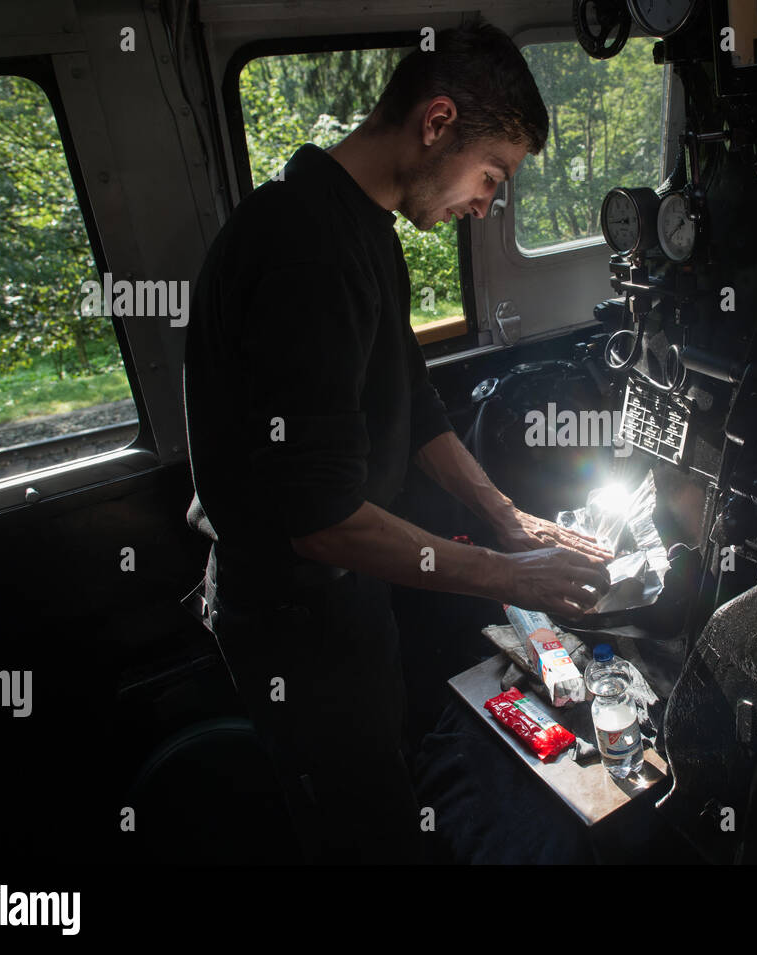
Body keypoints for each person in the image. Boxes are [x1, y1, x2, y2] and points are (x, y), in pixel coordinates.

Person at [181, 17, 612, 864]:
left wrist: (508, 517)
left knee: (387, 782)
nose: (489, 202)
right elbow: (323, 517)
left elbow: (416, 409)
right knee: (360, 830)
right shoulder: (302, 248)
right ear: (438, 121)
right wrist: (510, 574)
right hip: (292, 618)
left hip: (345, 602)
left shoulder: (365, 230)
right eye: (494, 175)